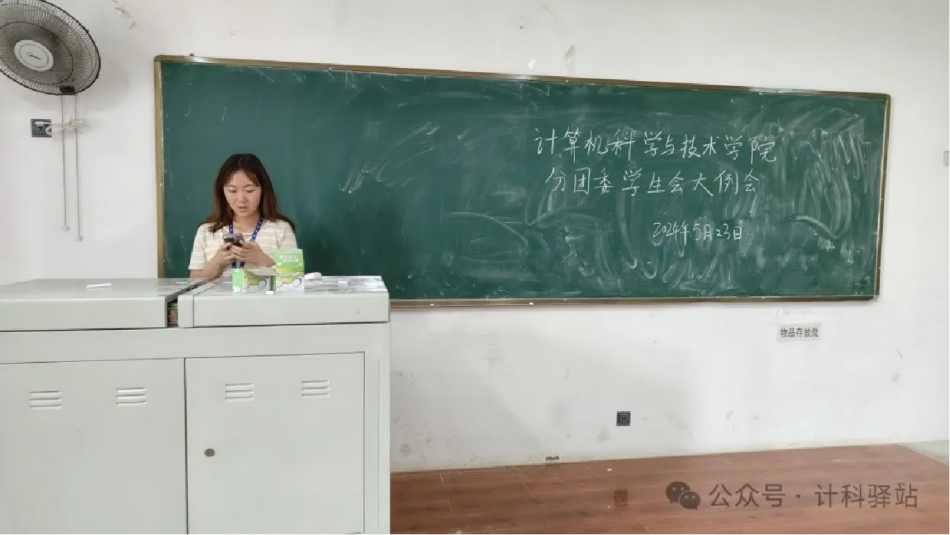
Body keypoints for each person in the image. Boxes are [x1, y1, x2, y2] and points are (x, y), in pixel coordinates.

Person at [188, 153, 297, 279]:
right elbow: (193, 284)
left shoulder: (281, 229)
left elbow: (294, 280)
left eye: (249, 190)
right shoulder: (206, 231)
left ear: (263, 190)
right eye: (232, 191)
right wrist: (217, 262)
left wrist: (262, 259)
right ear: (222, 192)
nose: (241, 199)